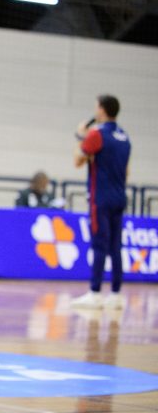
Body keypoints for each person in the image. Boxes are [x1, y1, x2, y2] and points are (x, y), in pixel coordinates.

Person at [71, 95, 131, 310]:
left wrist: (80, 136)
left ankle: (95, 293)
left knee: (99, 245)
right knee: (115, 246)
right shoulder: (125, 137)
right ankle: (116, 294)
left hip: (100, 198)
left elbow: (78, 160)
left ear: (102, 110)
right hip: (119, 197)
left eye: (97, 107)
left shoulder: (97, 134)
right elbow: (127, 172)